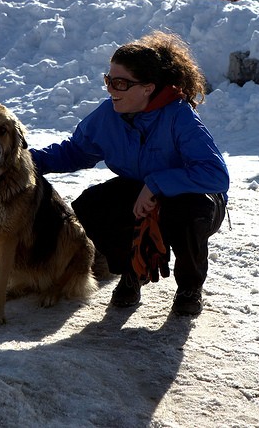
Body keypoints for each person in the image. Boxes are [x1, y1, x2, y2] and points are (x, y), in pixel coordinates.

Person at [30, 31, 229, 316]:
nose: (112, 89)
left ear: (148, 88)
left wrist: (156, 184)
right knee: (91, 205)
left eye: (121, 83)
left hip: (194, 198)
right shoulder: (109, 114)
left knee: (188, 213)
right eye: (109, 80)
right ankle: (131, 271)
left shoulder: (179, 116)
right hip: (142, 192)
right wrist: (22, 160)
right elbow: (74, 152)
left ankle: (189, 287)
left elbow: (215, 175)